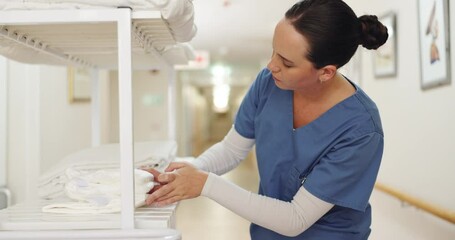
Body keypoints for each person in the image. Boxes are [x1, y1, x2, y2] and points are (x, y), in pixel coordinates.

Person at [145, 0, 388, 239]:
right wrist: (186, 174)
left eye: (287, 62)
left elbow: (296, 218)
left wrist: (206, 184)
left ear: (326, 72)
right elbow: (231, 150)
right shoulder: (269, 83)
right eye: (274, 51)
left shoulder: (360, 130)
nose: (272, 65)